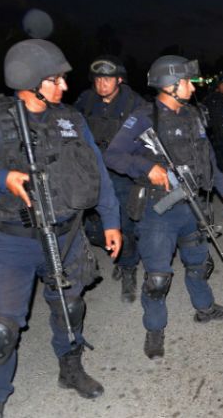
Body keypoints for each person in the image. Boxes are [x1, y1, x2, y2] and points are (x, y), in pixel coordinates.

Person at [0, 40, 122, 417]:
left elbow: (97, 171)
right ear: (28, 81)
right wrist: (0, 178)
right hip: (14, 238)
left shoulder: (71, 119)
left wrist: (111, 221)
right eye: (55, 79)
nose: (64, 86)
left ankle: (70, 367)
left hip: (67, 233)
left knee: (70, 307)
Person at [104, 55, 223, 360]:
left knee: (199, 263)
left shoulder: (194, 115)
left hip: (192, 205)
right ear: (171, 85)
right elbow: (113, 155)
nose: (193, 87)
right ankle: (154, 330)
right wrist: (145, 167)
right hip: (158, 211)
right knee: (157, 278)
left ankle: (204, 309)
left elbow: (209, 157)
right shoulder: (143, 117)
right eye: (188, 81)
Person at [73, 55, 146, 303]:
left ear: (119, 79)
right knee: (91, 225)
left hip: (122, 175)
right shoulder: (86, 100)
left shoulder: (134, 103)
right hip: (92, 172)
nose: (102, 84)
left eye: (108, 79)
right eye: (98, 79)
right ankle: (119, 253)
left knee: (124, 225)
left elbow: (148, 138)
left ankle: (128, 269)